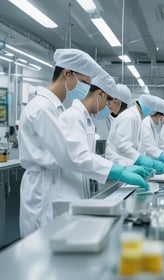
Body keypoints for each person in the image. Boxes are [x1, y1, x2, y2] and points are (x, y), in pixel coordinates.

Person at [19, 49, 149, 237]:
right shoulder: (41, 109)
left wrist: (117, 169)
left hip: (56, 186)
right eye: (85, 82)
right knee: (41, 250)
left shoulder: (55, 108)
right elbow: (72, 155)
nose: (87, 88)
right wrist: (118, 170)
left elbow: (75, 155)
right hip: (43, 192)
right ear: (67, 74)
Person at [54, 73, 151, 211]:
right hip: (65, 193)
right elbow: (80, 157)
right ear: (99, 94)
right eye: (107, 102)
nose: (107, 107)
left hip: (78, 189)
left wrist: (121, 168)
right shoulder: (72, 117)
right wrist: (119, 171)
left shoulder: (85, 119)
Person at [105, 94, 164, 174]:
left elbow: (142, 143)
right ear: (146, 106)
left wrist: (147, 160)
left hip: (125, 163)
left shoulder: (136, 117)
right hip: (118, 164)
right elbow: (122, 145)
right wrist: (139, 159)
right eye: (152, 109)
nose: (152, 112)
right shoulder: (129, 117)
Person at [138, 99, 164, 168]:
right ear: (160, 115)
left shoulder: (159, 125)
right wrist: (162, 155)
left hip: (154, 160)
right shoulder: (146, 124)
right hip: (146, 162)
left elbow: (162, 142)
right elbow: (147, 147)